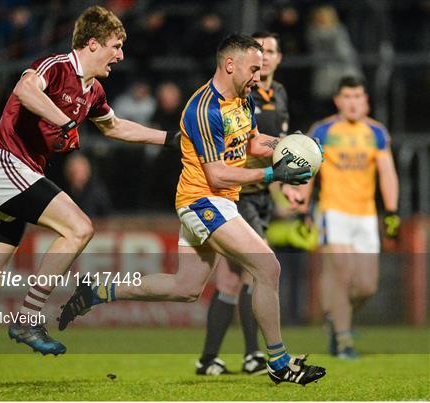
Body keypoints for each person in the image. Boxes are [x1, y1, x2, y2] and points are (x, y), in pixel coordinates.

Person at [0, 6, 181, 392]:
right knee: (80, 227)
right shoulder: (56, 66)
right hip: (3, 163)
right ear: (92, 44)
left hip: (13, 177)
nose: (120, 55)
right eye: (116, 46)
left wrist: (171, 139)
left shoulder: (94, 90)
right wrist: (64, 121)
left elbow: (116, 127)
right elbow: (24, 89)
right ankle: (29, 317)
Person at [59, 33, 326, 386]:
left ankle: (99, 291)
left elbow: (253, 141)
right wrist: (275, 173)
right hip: (203, 200)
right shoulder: (204, 109)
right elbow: (217, 173)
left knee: (185, 287)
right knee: (267, 266)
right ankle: (278, 361)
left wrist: (295, 146)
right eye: (254, 69)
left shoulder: (242, 100)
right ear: (229, 65)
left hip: (217, 201)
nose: (259, 77)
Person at [196, 31, 301, 376]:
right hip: (238, 197)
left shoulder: (276, 94)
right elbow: (247, 153)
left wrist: (296, 156)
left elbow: (267, 145)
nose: (266, 59)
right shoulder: (227, 100)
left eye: (271, 51)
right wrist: (278, 171)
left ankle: (212, 358)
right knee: (258, 271)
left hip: (259, 197)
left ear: (279, 57)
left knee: (227, 280)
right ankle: (257, 355)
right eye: (260, 54)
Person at [300, 76, 400, 359]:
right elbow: (307, 169)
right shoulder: (323, 130)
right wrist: (304, 208)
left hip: (366, 215)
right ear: (338, 100)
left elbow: (388, 172)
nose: (353, 103)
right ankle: (344, 342)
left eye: (358, 97)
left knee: (367, 286)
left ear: (366, 100)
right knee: (342, 275)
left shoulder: (376, 132)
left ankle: (335, 319)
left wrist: (391, 212)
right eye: (347, 97)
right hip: (334, 212)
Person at [62, 153, 112, 218]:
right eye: (75, 172)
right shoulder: (63, 192)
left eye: (81, 172)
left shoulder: (97, 192)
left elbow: (106, 215)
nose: (79, 176)